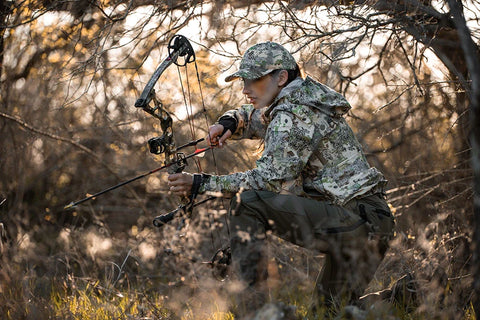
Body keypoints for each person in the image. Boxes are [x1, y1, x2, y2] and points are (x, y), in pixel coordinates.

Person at [167, 41, 395, 314]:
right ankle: (413, 293)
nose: (245, 88)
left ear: (282, 77)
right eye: (244, 80)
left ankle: (254, 313)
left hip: (355, 222)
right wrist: (229, 123)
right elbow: (257, 116)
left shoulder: (294, 111)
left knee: (248, 201)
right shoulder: (300, 99)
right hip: (371, 224)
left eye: (254, 80)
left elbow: (267, 181)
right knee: (329, 312)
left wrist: (201, 184)